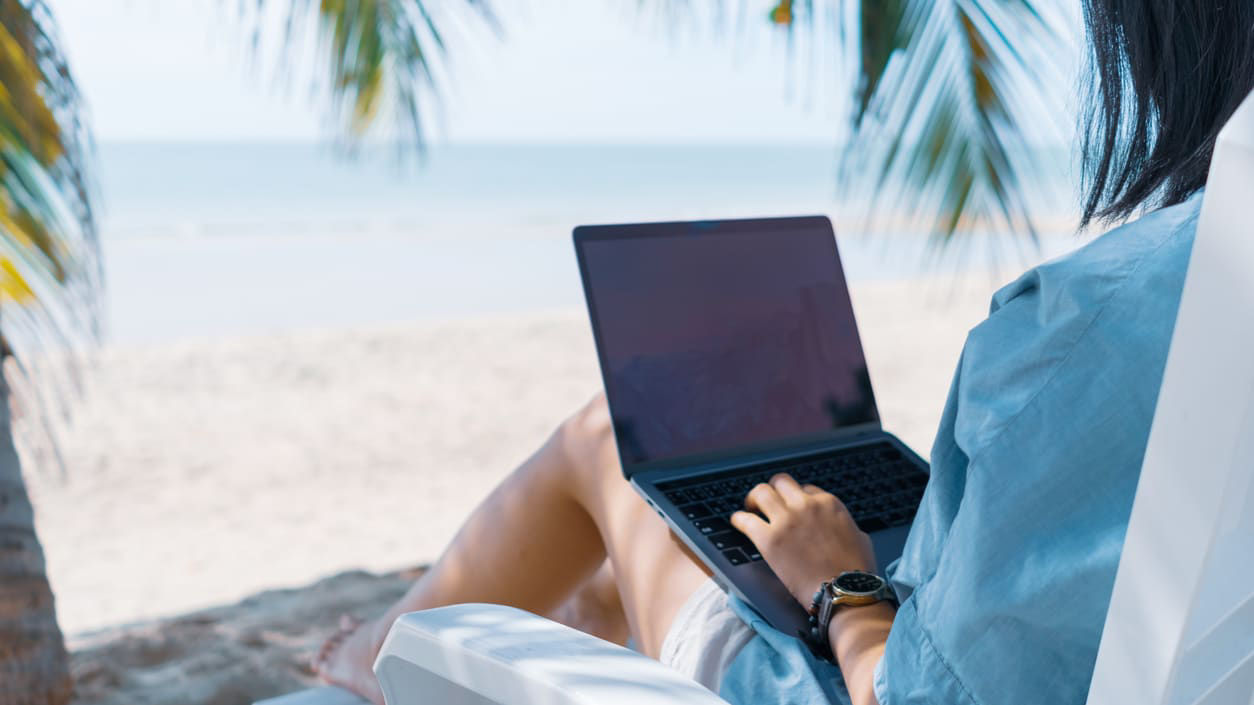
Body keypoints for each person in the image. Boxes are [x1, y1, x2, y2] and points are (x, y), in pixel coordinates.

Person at [314, 2, 1254, 703]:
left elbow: (918, 691)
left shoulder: (1095, 315)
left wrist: (842, 582)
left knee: (606, 439)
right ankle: (605, 607)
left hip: (852, 676)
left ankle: (374, 660)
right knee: (679, 545)